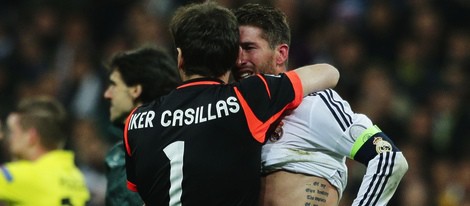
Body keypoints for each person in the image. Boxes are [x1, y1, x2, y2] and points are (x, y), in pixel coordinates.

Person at [123, 2, 339, 205]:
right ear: (231, 58)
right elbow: (328, 72)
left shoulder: (135, 121)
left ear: (180, 57)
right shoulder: (248, 98)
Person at [233, 3, 408, 206]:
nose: (239, 60)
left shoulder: (313, 104)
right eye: (234, 50)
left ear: (280, 54)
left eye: (248, 48)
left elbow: (388, 159)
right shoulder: (235, 116)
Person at [103, 46, 180, 206]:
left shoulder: (137, 156)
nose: (107, 94)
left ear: (136, 90)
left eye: (114, 85)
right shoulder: (122, 151)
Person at [0, 96, 90, 206]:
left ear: (31, 136)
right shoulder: (76, 176)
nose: (7, 138)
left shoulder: (21, 176)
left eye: (13, 131)